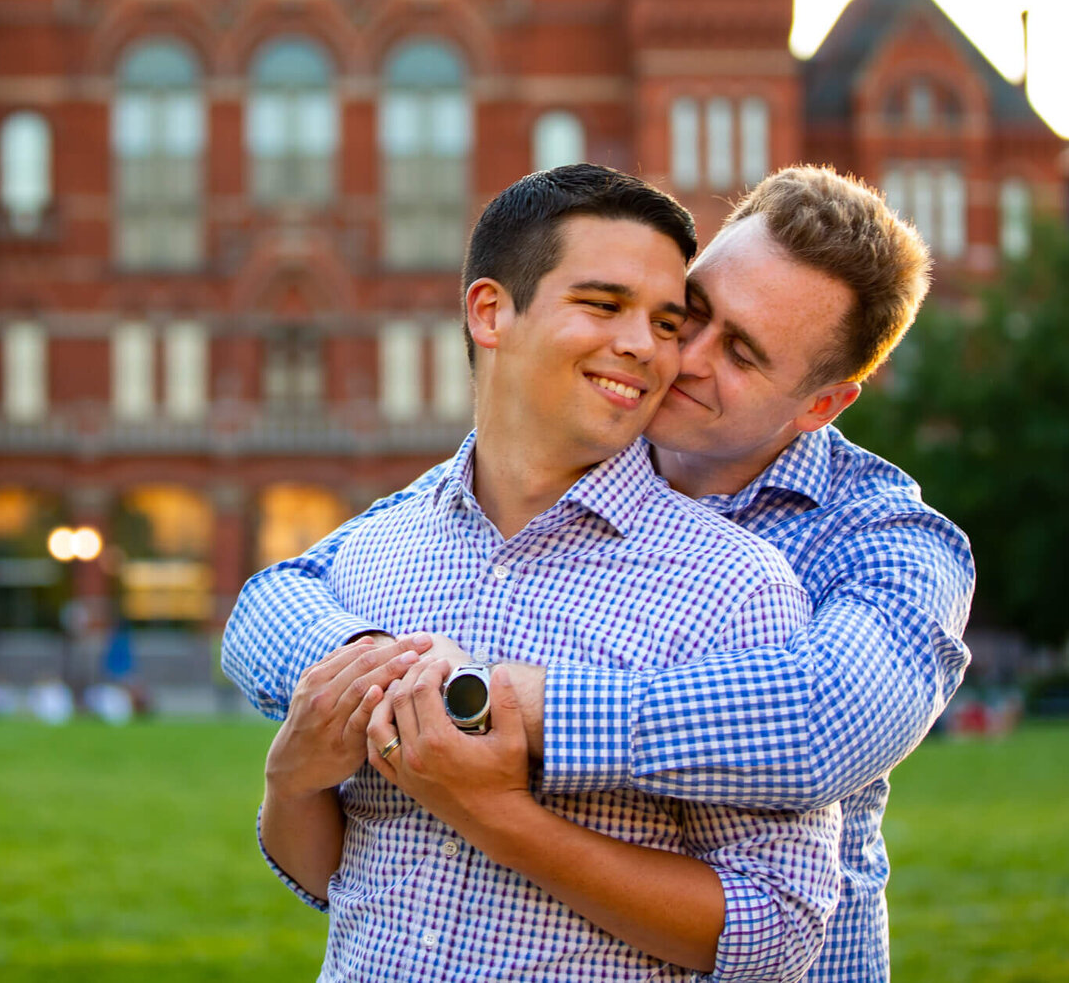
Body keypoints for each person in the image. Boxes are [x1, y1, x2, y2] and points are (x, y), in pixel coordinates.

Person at [224, 165, 974, 983]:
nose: (676, 355)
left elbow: (821, 722)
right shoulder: (544, 467)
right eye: (689, 313)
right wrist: (369, 680)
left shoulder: (879, 540)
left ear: (820, 406)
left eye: (743, 354)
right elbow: (283, 596)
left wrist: (503, 706)